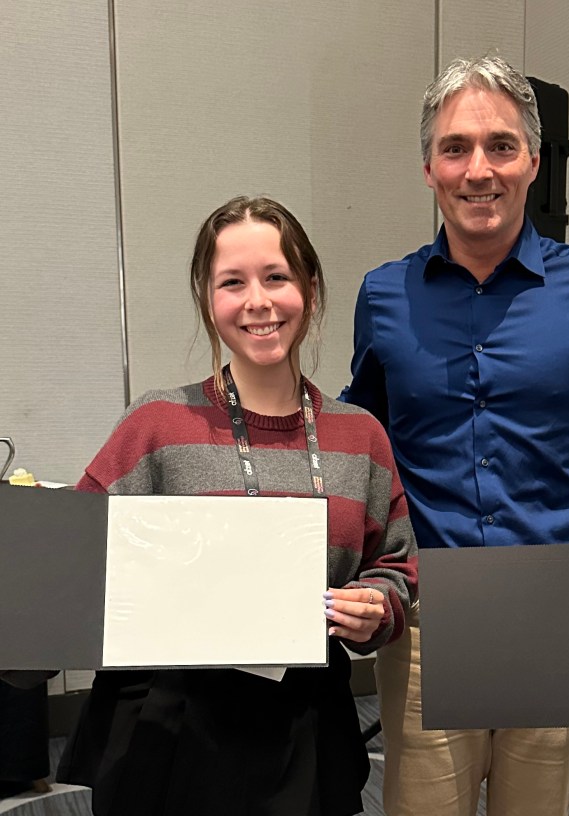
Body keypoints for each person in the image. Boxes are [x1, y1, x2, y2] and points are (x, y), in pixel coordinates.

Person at [341, 56, 569, 816]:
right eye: (456, 148)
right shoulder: (384, 295)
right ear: (429, 168)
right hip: (428, 615)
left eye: (501, 146)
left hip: (557, 607)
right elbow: (359, 437)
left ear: (534, 162)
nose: (479, 169)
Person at [55, 196, 417, 816]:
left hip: (306, 721)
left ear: (310, 289)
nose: (258, 301)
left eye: (276, 277)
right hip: (170, 720)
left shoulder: (360, 436)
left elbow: (395, 566)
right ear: (206, 298)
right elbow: (74, 556)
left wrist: (375, 606)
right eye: (232, 282)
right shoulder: (157, 425)